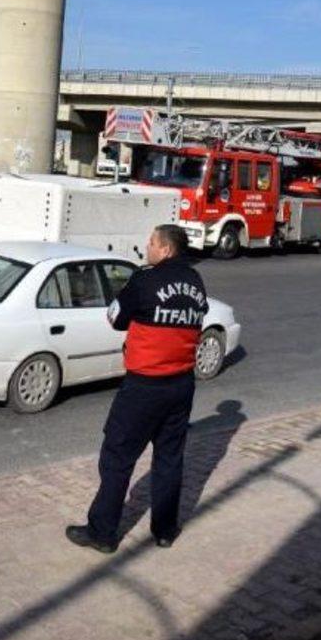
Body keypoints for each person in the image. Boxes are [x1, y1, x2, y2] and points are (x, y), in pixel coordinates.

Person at [66, 224, 207, 553]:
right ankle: (165, 530)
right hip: (182, 385)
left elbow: (115, 318)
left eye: (152, 243)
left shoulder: (145, 280)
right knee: (170, 459)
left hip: (144, 386)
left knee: (117, 457)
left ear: (166, 250)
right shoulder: (196, 283)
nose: (148, 247)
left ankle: (102, 532)